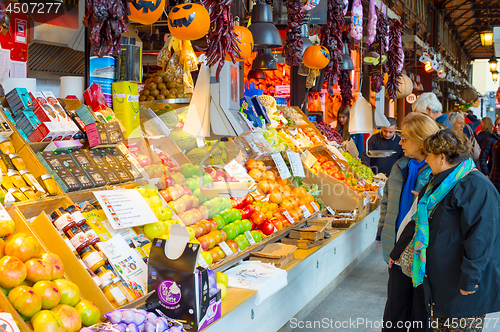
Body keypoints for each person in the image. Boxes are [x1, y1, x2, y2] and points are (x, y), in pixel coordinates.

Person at [392, 129, 500, 331]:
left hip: (463, 288)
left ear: (442, 157)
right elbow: (419, 219)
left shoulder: (475, 186)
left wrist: (470, 280)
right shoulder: (440, 182)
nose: (426, 161)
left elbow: (481, 238)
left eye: (428, 156)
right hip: (442, 284)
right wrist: (397, 252)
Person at [379, 112, 440, 332]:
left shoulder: (437, 172)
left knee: (419, 314)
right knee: (394, 311)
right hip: (396, 248)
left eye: (405, 138)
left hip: (421, 253)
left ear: (422, 139)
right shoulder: (399, 166)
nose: (400, 141)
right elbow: (387, 203)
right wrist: (383, 231)